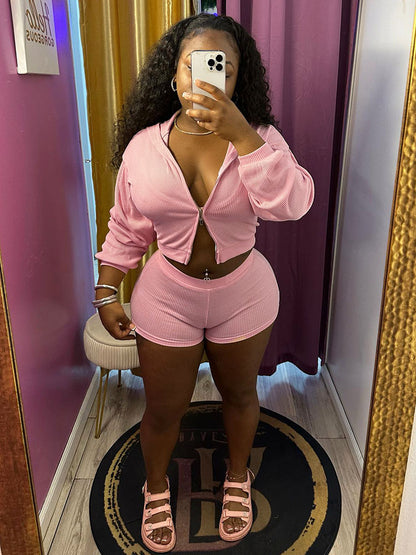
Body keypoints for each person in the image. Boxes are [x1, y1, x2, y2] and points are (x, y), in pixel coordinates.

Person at [93, 13, 314, 553]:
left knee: (240, 394)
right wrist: (106, 290)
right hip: (167, 296)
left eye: (222, 68)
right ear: (174, 74)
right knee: (164, 409)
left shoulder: (261, 139)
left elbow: (293, 203)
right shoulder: (144, 147)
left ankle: (237, 478)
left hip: (245, 293)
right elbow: (127, 225)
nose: (205, 77)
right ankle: (155, 488)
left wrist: (242, 136)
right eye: (192, 65)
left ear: (238, 79)